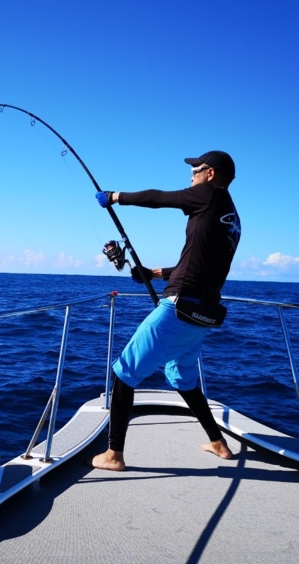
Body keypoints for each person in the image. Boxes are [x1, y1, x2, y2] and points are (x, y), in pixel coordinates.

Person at [91, 150, 241, 471]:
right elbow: (199, 264)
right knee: (183, 380)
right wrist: (154, 273)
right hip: (202, 315)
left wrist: (116, 197)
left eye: (196, 169)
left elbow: (159, 198)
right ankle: (219, 443)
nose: (191, 175)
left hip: (177, 309)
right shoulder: (231, 216)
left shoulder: (208, 194)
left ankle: (114, 455)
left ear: (211, 174)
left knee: (124, 373)